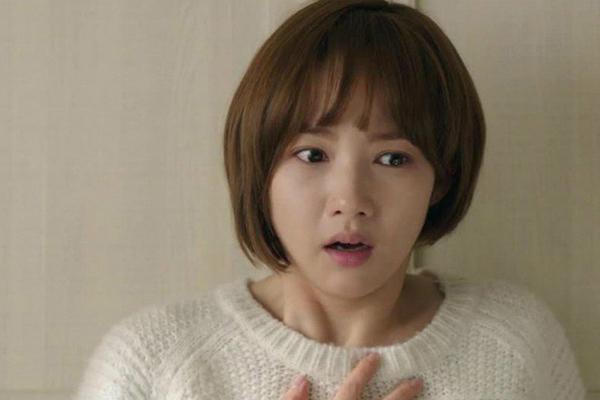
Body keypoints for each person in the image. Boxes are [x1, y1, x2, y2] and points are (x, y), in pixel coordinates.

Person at [73, 1, 587, 399]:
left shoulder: (515, 343)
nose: (351, 200)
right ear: (260, 167)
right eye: (311, 154)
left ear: (442, 179)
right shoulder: (154, 362)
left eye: (393, 158)